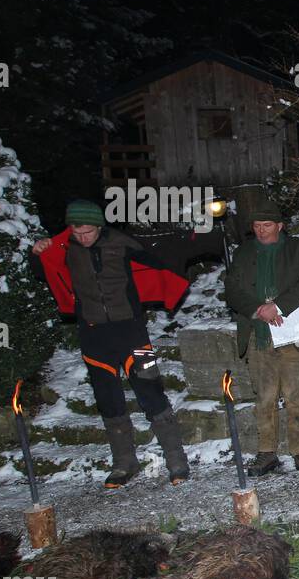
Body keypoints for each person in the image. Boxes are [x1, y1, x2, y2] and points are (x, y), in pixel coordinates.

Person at [31, 199, 191, 488]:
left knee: (152, 393)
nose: (83, 238)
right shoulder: (64, 249)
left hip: (133, 334)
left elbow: (161, 262)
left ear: (99, 226)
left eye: (88, 232)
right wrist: (38, 252)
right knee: (108, 401)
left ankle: (177, 460)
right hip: (94, 337)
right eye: (77, 233)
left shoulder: (123, 243)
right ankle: (124, 463)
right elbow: (42, 271)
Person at [223, 196, 299, 477]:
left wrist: (276, 307)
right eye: (256, 225)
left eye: (267, 225)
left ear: (280, 225)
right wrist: (258, 310)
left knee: (294, 395)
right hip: (259, 334)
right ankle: (267, 453)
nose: (261, 230)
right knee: (264, 397)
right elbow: (231, 289)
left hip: (292, 332)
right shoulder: (243, 252)